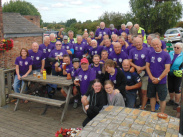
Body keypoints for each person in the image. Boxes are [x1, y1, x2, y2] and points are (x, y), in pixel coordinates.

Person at [146, 38, 171, 113]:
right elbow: (147, 66)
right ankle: (153, 111)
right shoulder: (150, 54)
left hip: (161, 81)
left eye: (157, 44)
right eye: (154, 45)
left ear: (160, 44)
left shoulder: (166, 55)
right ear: (152, 45)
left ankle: (162, 113)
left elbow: (167, 69)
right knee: (152, 96)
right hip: (151, 80)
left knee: (162, 98)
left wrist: (159, 79)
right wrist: (151, 77)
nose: (156, 46)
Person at [129, 37, 150, 109]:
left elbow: (149, 63)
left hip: (145, 73)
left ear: (142, 42)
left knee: (144, 91)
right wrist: (137, 67)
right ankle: (141, 103)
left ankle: (143, 106)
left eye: (139, 42)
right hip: (136, 74)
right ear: (134, 43)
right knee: (139, 90)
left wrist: (142, 68)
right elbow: (130, 61)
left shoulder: (147, 50)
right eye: (136, 42)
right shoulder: (132, 51)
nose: (138, 44)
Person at [167, 43, 183, 110]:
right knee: (170, 87)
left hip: (178, 74)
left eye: (178, 48)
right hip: (170, 73)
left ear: (181, 49)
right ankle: (171, 100)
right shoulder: (170, 53)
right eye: (175, 47)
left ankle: (177, 103)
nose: (176, 49)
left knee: (177, 88)